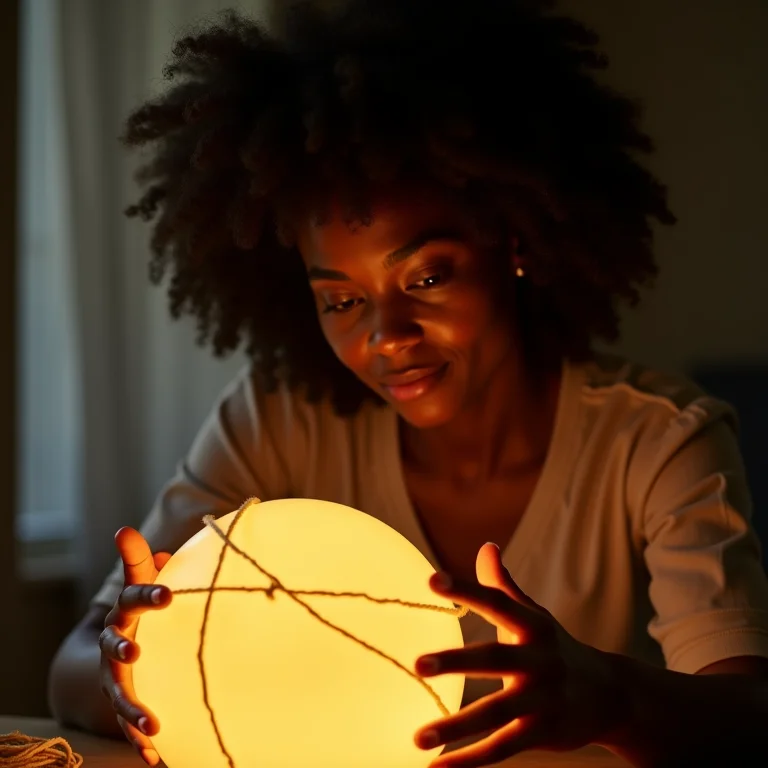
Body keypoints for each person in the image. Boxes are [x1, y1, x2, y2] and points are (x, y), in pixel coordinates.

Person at [48, 1, 768, 766]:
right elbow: (72, 668)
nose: (386, 335)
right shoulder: (278, 418)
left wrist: (609, 697)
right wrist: (124, 669)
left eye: (426, 276)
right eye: (342, 300)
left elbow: (752, 716)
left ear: (515, 244)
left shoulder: (658, 440)